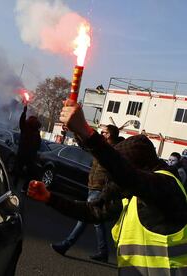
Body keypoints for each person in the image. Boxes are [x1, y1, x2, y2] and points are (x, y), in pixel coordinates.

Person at [28, 99, 187, 275]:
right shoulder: (133, 194)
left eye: (116, 175)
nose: (113, 182)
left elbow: (128, 176)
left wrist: (87, 132)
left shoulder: (166, 188)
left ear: (139, 168)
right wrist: (50, 198)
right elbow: (92, 211)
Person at [51, 124, 121, 263]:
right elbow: (85, 146)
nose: (101, 134)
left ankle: (66, 245)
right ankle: (103, 251)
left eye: (104, 132)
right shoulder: (102, 148)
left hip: (99, 189)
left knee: (84, 217)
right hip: (93, 188)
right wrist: (75, 131)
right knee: (96, 222)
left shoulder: (111, 151)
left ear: (109, 135)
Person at [14, 104, 42, 192]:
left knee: (18, 169)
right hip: (31, 156)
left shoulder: (25, 128)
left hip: (21, 153)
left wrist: (24, 111)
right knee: (30, 173)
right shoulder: (37, 133)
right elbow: (38, 146)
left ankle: (14, 185)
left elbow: (21, 121)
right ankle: (25, 188)